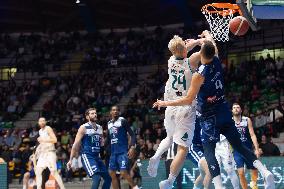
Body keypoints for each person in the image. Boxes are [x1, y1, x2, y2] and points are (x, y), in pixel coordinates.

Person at [153, 30, 275, 189]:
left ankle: (219, 186)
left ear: (201, 55)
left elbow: (188, 99)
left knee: (209, 152)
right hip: (224, 110)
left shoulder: (197, 75)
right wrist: (207, 36)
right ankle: (265, 172)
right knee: (240, 147)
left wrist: (165, 103)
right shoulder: (216, 60)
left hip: (209, 117)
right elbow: (212, 47)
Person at [147, 35, 203, 189]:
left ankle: (156, 156)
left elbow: (181, 51)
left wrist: (191, 44)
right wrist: (202, 40)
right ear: (184, 50)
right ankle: (169, 181)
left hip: (170, 106)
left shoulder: (171, 61)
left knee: (169, 137)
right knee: (183, 148)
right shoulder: (191, 61)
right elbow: (208, 50)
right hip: (185, 107)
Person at [67, 108, 111, 189]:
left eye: (95, 113)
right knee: (97, 178)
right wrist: (70, 159)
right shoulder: (83, 127)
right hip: (87, 156)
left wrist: (105, 140)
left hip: (97, 157)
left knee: (108, 179)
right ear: (87, 116)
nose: (95, 114)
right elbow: (75, 144)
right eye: (92, 113)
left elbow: (101, 143)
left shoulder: (100, 128)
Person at [107, 105, 138, 189]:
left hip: (122, 152)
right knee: (111, 173)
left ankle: (135, 187)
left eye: (117, 110)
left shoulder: (122, 121)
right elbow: (108, 139)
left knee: (123, 172)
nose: (115, 111)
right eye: (113, 110)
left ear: (119, 112)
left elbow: (132, 134)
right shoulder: (109, 124)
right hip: (113, 153)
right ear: (111, 112)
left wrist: (132, 147)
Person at [232, 103, 261, 189]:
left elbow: (252, 135)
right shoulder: (230, 122)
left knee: (254, 169)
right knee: (240, 173)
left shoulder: (247, 120)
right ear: (232, 111)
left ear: (241, 110)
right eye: (234, 108)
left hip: (248, 149)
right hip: (237, 151)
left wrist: (257, 148)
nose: (236, 109)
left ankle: (254, 184)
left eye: (238, 107)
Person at [35, 117, 65, 189]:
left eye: (43, 121)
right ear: (38, 123)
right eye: (40, 121)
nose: (42, 122)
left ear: (45, 122)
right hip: (43, 154)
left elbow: (55, 140)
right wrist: (37, 149)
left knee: (54, 172)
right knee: (38, 172)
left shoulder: (48, 128)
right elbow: (42, 142)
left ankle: (63, 187)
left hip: (50, 153)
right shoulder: (40, 131)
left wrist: (43, 140)